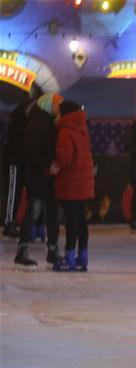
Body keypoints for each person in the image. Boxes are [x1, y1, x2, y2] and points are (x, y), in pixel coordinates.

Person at [13, 92, 62, 271]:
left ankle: (52, 250)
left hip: (47, 174)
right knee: (34, 210)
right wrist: (47, 164)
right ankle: (22, 251)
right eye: (57, 103)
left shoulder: (47, 120)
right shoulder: (37, 122)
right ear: (48, 104)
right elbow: (30, 149)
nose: (59, 107)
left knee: (52, 212)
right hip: (38, 174)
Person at [49, 101, 94, 272]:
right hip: (83, 183)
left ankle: (69, 256)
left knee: (71, 222)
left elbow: (64, 157)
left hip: (71, 183)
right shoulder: (82, 130)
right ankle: (83, 256)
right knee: (81, 221)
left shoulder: (65, 132)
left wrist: (54, 167)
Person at [2, 93, 30, 239]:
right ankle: (9, 223)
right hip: (15, 160)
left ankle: (11, 222)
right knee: (13, 192)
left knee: (16, 192)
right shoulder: (22, 120)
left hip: (17, 159)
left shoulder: (19, 118)